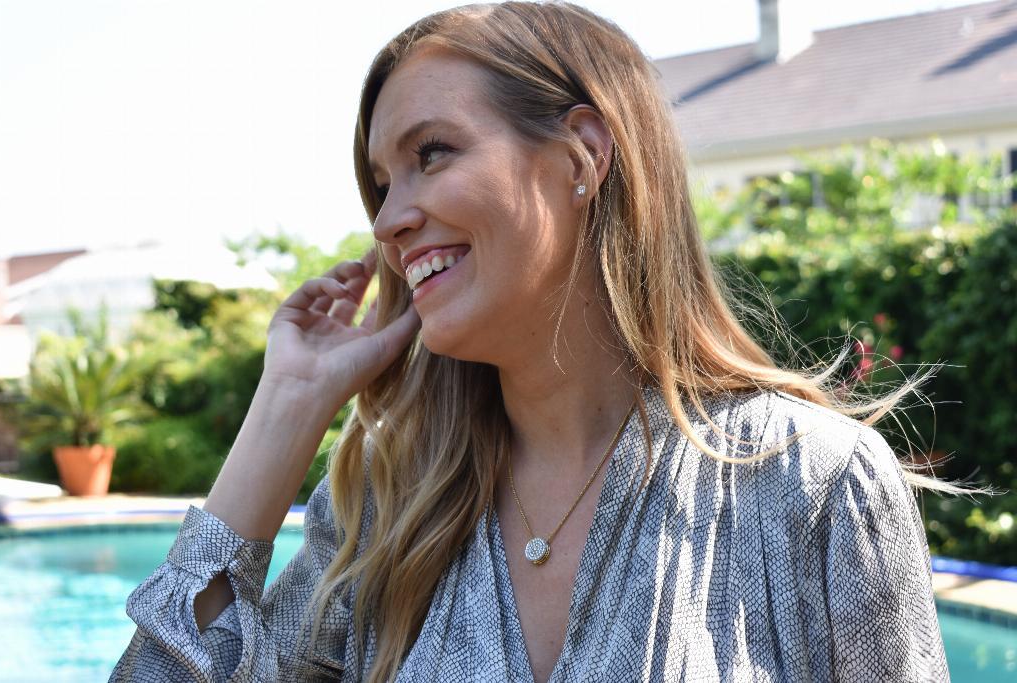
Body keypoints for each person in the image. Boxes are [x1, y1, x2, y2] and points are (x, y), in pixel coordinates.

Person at [110, 2, 959, 681]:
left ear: (583, 155)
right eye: (379, 183)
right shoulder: (381, 506)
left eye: (431, 153)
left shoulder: (813, 486)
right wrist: (287, 403)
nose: (388, 220)